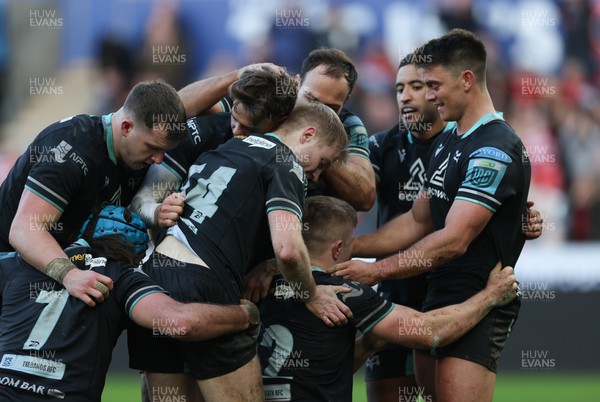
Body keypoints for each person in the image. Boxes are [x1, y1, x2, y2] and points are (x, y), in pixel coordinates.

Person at [330, 29, 531, 402]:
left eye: (434, 85)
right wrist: (349, 251)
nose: (429, 94)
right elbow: (417, 221)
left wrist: (374, 270)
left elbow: (454, 240)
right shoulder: (450, 140)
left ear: (467, 80)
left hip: (475, 304)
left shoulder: (496, 149)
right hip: (436, 303)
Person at [127, 101, 352, 402]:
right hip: (204, 287)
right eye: (323, 162)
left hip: (153, 280)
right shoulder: (287, 161)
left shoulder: (224, 147)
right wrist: (310, 294)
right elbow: (288, 250)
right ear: (308, 135)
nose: (316, 176)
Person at [258, 196, 518, 402]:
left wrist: (368, 344)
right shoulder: (343, 293)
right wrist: (490, 296)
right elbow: (431, 332)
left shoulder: (260, 286)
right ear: (338, 248)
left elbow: (311, 372)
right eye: (351, 244)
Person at [0, 205, 259, 401]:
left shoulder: (24, 260)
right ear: (134, 256)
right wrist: (244, 315)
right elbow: (180, 323)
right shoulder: (122, 275)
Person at [0, 80, 187, 307]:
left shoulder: (135, 150)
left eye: (164, 151)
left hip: (48, 271)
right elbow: (24, 231)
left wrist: (234, 77)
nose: (158, 160)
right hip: (11, 266)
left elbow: (191, 104)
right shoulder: (72, 149)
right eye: (152, 148)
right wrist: (69, 275)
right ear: (126, 127)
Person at [130, 66, 297, 228]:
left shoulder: (295, 145)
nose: (237, 131)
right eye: (235, 118)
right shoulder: (202, 133)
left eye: (249, 129)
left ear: (281, 120)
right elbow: (142, 201)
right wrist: (157, 212)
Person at [212, 48, 376, 211]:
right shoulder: (273, 97)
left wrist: (323, 148)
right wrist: (234, 76)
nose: (320, 111)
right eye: (311, 99)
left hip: (303, 221)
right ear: (297, 83)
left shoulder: (349, 124)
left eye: (332, 107)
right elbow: (191, 110)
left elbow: (365, 197)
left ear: (345, 103)